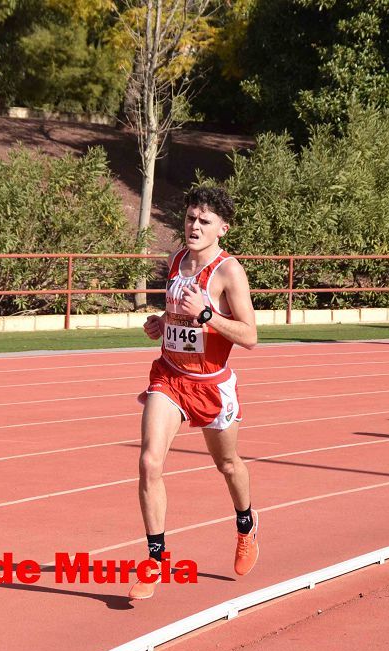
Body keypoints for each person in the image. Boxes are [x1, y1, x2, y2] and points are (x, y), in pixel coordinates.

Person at [130, 185, 259, 600]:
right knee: (150, 462)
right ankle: (155, 558)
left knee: (228, 465)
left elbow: (251, 336)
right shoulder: (176, 261)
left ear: (222, 228)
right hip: (168, 377)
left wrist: (206, 313)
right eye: (190, 218)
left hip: (211, 386)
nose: (194, 226)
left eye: (204, 221)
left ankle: (246, 524)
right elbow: (175, 316)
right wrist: (160, 324)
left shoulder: (228, 271)